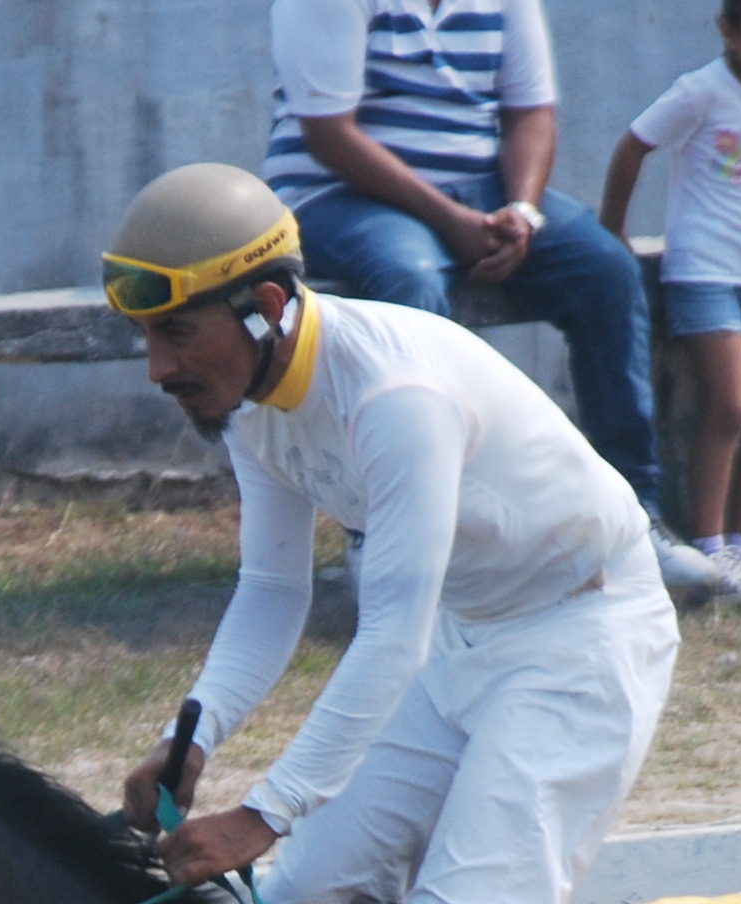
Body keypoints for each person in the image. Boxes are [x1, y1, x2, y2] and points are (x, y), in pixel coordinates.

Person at [100, 165, 686, 904]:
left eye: (176, 334)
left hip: (581, 638)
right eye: (147, 340)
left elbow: (386, 636)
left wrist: (262, 813)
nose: (160, 367)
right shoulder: (258, 403)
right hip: (471, 639)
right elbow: (272, 590)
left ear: (267, 304)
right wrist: (192, 737)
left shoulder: (392, 398)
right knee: (303, 903)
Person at [259, 0, 673, 571]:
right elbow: (330, 135)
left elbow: (531, 113)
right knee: (410, 281)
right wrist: (449, 221)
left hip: (479, 190)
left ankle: (631, 520)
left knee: (606, 272)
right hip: (338, 194)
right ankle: (393, 534)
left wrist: (522, 214)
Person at [602, 0, 741, 609]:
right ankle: (707, 550)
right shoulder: (700, 93)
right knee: (727, 407)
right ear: (729, 31)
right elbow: (632, 148)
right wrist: (611, 237)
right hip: (705, 273)